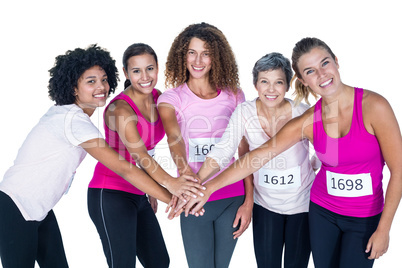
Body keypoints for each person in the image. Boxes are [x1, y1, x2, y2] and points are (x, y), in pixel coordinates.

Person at [183, 37, 402, 268]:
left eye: (325, 63)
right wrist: (207, 188)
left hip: (362, 217)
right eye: (310, 71)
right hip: (322, 212)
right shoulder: (307, 120)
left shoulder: (375, 106)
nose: (321, 75)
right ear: (303, 80)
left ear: (336, 62)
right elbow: (254, 158)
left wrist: (385, 229)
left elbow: (398, 170)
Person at [0, 44, 202, 268]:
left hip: (40, 209)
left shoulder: (73, 117)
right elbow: (125, 167)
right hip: (15, 206)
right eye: (91, 81)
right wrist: (176, 197)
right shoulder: (72, 122)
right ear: (73, 88)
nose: (101, 87)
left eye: (104, 79)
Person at [193, 52, 320, 267]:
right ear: (255, 85)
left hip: (302, 205)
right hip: (265, 205)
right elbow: (224, 150)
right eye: (264, 82)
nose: (271, 90)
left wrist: (312, 165)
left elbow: (325, 152)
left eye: (278, 82)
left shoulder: (303, 112)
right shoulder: (245, 111)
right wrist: (196, 185)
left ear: (288, 85)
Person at [87, 43, 205, 268]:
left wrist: (182, 176)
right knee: (123, 264)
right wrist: (173, 190)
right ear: (126, 73)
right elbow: (140, 155)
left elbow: (173, 138)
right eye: (136, 71)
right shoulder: (121, 110)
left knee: (158, 261)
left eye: (149, 69)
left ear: (158, 68)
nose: (144, 77)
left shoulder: (158, 97)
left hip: (139, 191)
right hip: (111, 193)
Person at [157, 22, 252, 268]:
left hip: (232, 196)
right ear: (182, 55)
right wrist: (185, 173)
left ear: (216, 57)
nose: (198, 60)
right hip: (194, 197)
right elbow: (173, 138)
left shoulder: (234, 95)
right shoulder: (171, 98)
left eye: (206, 53)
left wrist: (249, 201)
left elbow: (245, 152)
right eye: (192, 52)